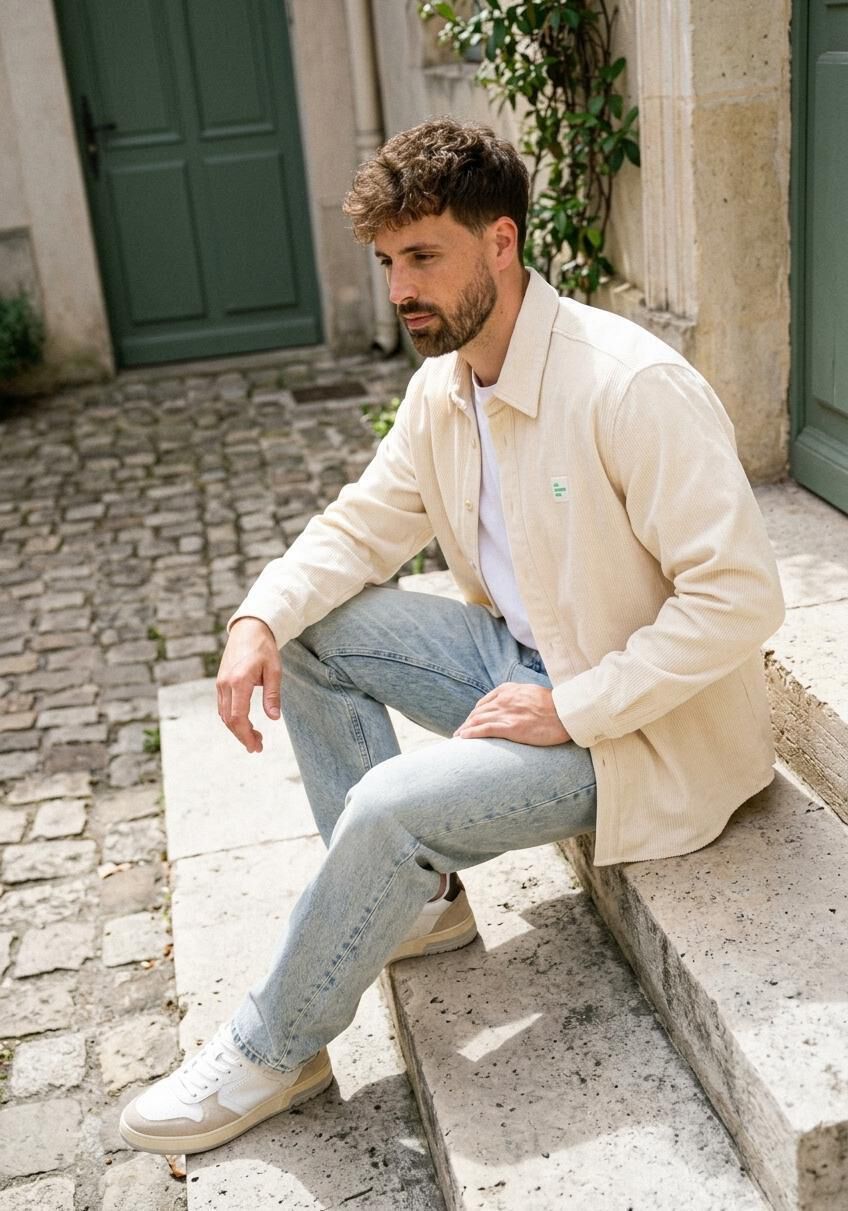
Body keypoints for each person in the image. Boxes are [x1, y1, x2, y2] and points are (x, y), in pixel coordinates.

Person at [119, 117, 785, 1156]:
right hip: (520, 664)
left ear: (501, 242)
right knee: (311, 627)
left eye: (422, 256)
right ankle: (421, 908)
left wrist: (569, 706)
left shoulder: (626, 385)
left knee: (389, 807)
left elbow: (740, 597)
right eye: (388, 262)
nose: (400, 288)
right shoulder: (443, 388)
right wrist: (257, 615)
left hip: (638, 729)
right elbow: (358, 528)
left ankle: (275, 1046)